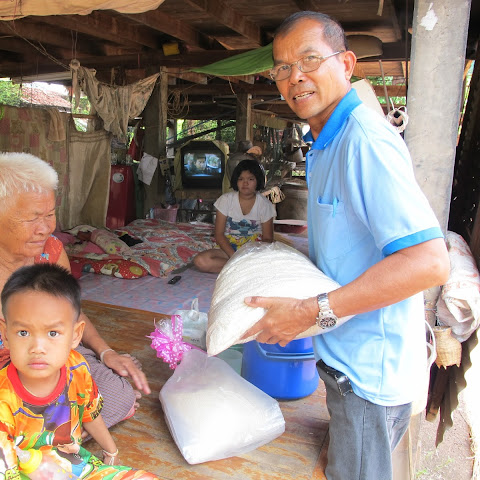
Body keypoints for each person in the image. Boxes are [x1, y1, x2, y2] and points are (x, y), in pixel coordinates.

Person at [242, 11, 450, 480]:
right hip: (343, 364)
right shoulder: (323, 142)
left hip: (368, 377)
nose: (295, 77)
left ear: (347, 63)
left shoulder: (365, 141)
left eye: (310, 60)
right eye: (282, 68)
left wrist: (311, 312)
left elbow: (429, 262)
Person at [0, 152, 150, 470]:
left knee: (119, 395)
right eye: (31, 218)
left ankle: (46, 447)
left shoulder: (51, 251)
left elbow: (72, 316)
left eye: (50, 215)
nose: (44, 229)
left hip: (47, 364)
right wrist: (28, 406)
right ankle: (59, 439)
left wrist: (106, 352)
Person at [0, 263, 158, 480]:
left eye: (53, 333)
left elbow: (90, 413)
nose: (38, 348)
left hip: (79, 469)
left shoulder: (77, 367)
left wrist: (112, 452)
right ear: (4, 334)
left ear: (75, 335)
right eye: (23, 332)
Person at [193, 159, 275, 273]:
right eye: (241, 179)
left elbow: (267, 239)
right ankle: (247, 269)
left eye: (250, 179)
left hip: (253, 251)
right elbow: (219, 234)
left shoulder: (265, 205)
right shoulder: (225, 200)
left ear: (258, 181)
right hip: (228, 248)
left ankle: (242, 268)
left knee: (273, 263)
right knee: (200, 261)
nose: (245, 183)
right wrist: (234, 256)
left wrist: (251, 255)